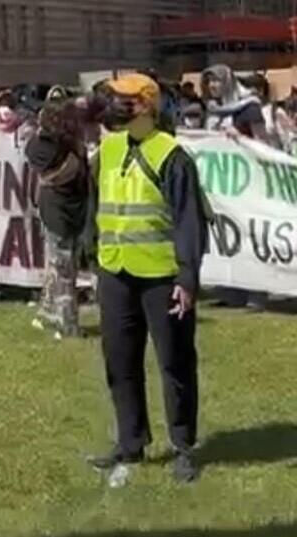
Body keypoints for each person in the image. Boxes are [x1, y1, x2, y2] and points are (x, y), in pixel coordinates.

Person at [88, 74, 208, 485]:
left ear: (146, 104)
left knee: (174, 361)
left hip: (162, 276)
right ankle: (130, 441)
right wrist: (93, 258)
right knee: (120, 361)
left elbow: (189, 221)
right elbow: (96, 206)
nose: (114, 105)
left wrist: (187, 278)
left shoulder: (172, 156)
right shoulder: (106, 149)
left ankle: (183, 445)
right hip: (115, 271)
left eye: (123, 100)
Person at [25, 96, 89, 338]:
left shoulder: (70, 143)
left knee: (58, 263)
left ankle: (46, 314)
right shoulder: (41, 147)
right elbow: (62, 173)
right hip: (57, 211)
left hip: (73, 207)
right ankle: (67, 323)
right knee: (64, 266)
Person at [201, 65, 268, 141]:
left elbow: (262, 143)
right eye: (208, 81)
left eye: (216, 80)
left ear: (228, 82)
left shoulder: (250, 108)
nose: (211, 85)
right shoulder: (213, 109)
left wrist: (240, 137)